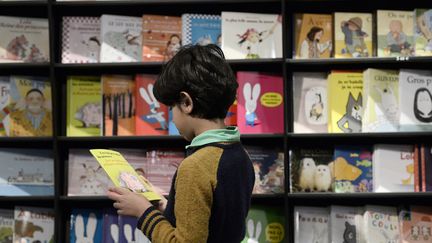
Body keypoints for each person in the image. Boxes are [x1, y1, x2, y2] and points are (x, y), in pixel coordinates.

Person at [107, 44, 255, 242]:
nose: (172, 118)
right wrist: (164, 205)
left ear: (186, 102)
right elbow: (214, 219)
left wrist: (143, 211)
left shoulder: (195, 167)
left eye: (171, 109)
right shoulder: (239, 154)